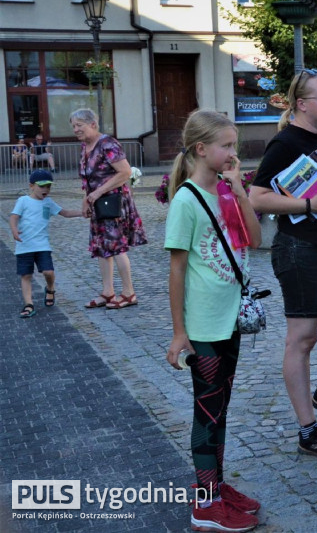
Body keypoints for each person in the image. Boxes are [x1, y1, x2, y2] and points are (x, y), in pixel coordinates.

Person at [248, 68, 317, 459]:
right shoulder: (284, 143)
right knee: (302, 338)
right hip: (301, 249)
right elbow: (257, 198)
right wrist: (308, 204)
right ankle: (307, 428)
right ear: (302, 104)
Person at [164, 110, 262, 532]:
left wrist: (239, 191)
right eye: (225, 146)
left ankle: (216, 487)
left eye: (233, 146)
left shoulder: (224, 190)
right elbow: (177, 269)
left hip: (230, 320)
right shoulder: (186, 200)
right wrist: (179, 333)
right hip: (203, 325)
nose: (231, 153)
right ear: (201, 149)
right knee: (206, 413)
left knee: (219, 410)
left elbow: (256, 241)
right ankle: (204, 504)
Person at [71, 108, 147, 310]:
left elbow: (125, 172)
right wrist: (86, 200)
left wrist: (96, 194)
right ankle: (108, 291)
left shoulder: (107, 143)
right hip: (97, 204)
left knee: (116, 246)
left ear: (93, 124)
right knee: (102, 247)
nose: (75, 129)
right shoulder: (85, 147)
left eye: (79, 125)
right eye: (73, 126)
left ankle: (129, 292)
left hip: (113, 202)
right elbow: (88, 179)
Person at [9, 169, 83, 319]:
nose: (46, 190)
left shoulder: (48, 203)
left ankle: (50, 288)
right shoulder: (23, 201)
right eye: (42, 186)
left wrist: (83, 213)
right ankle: (28, 305)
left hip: (42, 245)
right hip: (24, 246)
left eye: (48, 186)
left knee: (48, 272)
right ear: (31, 186)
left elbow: (66, 213)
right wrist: (14, 230)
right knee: (26, 275)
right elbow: (13, 217)